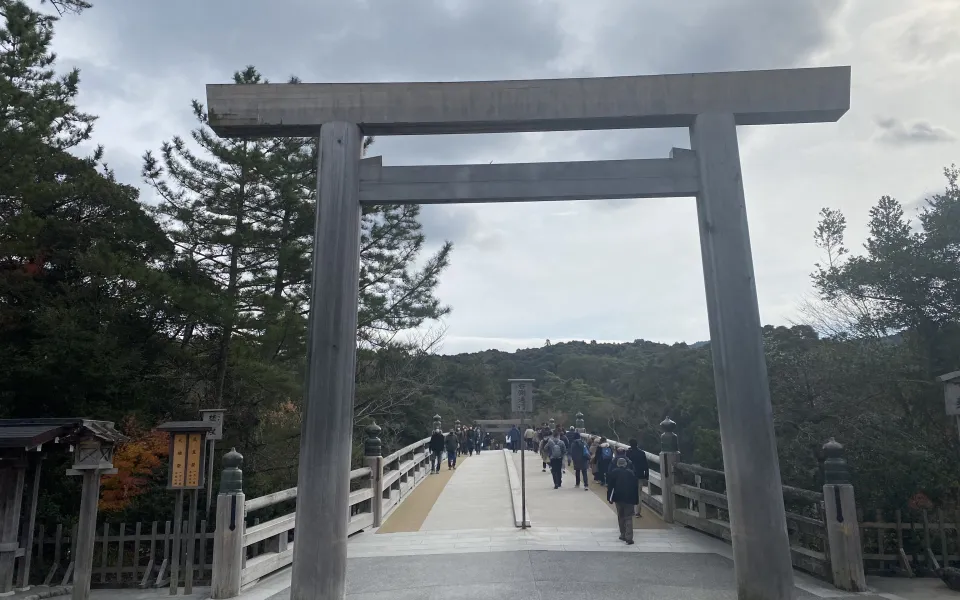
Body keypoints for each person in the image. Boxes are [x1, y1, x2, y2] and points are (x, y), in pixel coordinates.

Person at [607, 457, 639, 544]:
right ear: (626, 464)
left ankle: (623, 534)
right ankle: (629, 537)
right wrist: (636, 500)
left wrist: (609, 498)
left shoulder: (614, 473)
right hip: (629, 498)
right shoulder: (631, 473)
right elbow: (635, 488)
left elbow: (610, 487)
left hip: (618, 498)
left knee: (621, 516)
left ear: (618, 464)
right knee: (628, 517)